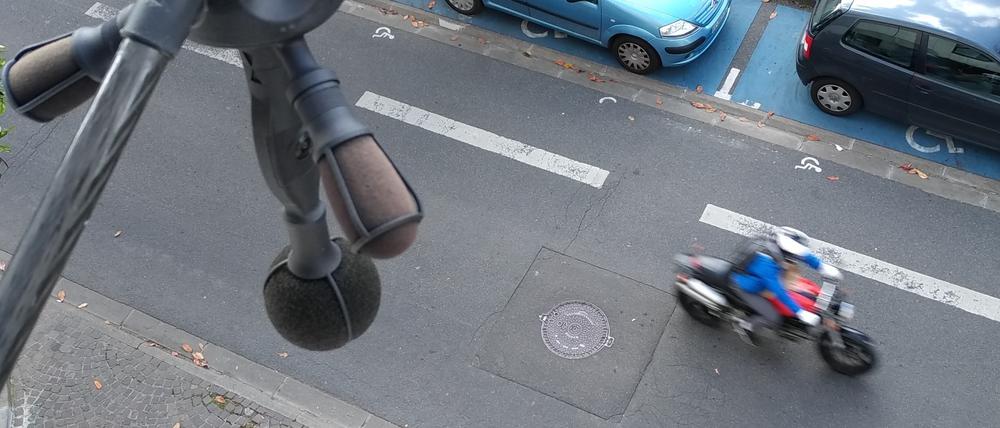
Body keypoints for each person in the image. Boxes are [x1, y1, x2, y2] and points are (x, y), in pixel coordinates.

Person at [729, 226, 843, 345]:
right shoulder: (766, 264)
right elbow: (778, 291)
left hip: (763, 280)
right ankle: (745, 325)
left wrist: (822, 267)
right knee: (773, 318)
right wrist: (799, 312)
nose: (795, 257)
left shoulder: (776, 248)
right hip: (747, 288)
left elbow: (803, 255)